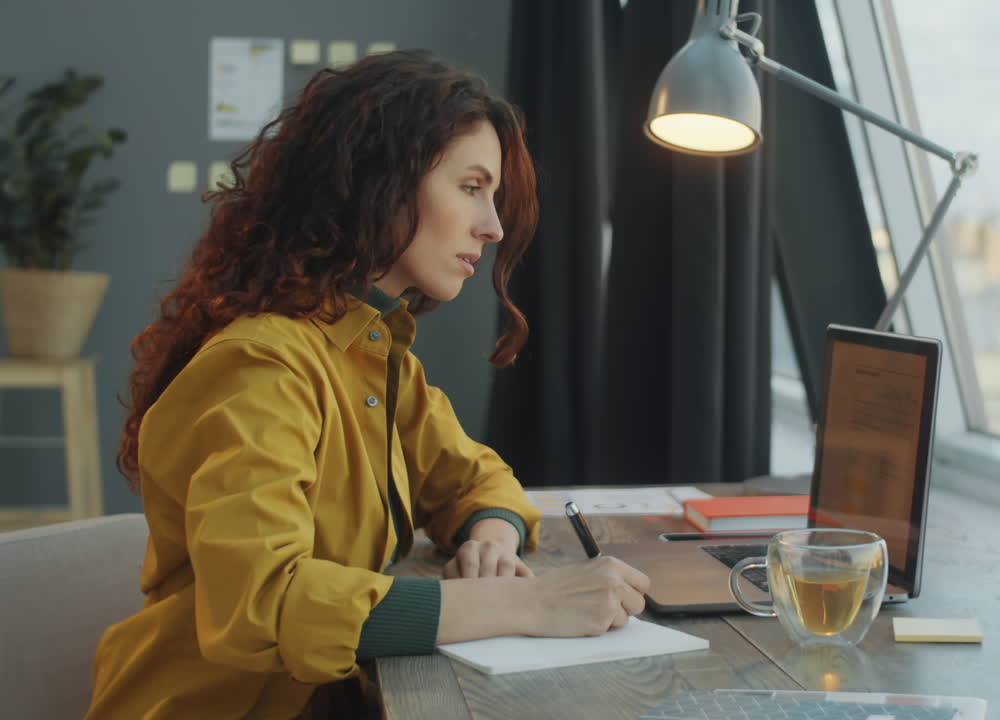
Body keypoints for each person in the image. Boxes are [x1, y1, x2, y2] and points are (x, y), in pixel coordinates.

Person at [85, 50, 650, 719]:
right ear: (381, 180)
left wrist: (490, 543)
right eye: (471, 187)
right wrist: (523, 602)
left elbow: (475, 478)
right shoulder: (263, 366)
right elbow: (262, 605)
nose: (493, 226)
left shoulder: (373, 357)